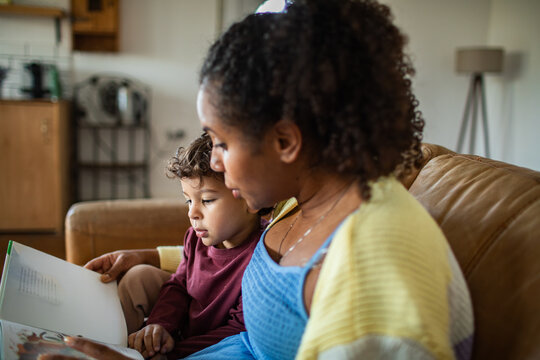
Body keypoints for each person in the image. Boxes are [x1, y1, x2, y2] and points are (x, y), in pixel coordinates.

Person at [40, 0, 474, 359]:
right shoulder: (298, 198)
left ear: (285, 140)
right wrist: (149, 255)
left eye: (222, 143)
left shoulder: (371, 272)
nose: (216, 164)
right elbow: (236, 256)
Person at [93, 133, 268, 359]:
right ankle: (118, 345)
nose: (192, 213)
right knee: (138, 276)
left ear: (251, 200)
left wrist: (173, 352)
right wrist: (159, 326)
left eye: (206, 200)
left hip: (204, 347)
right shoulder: (195, 238)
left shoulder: (261, 256)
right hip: (179, 331)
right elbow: (178, 285)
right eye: (188, 200)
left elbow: (237, 330)